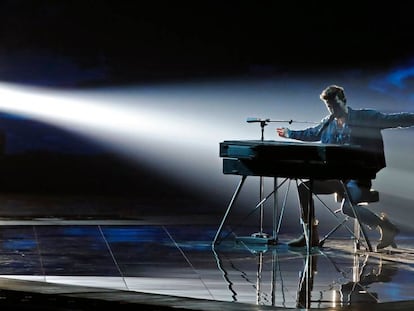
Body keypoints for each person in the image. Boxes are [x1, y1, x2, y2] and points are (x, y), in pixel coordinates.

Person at [276, 85, 414, 250]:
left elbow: (394, 120)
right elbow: (312, 133)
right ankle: (310, 235)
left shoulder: (365, 117)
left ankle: (386, 227)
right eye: (329, 106)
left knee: (347, 208)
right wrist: (290, 133)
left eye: (335, 105)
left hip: (359, 176)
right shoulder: (328, 123)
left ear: (343, 101)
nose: (332, 109)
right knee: (304, 188)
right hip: (337, 176)